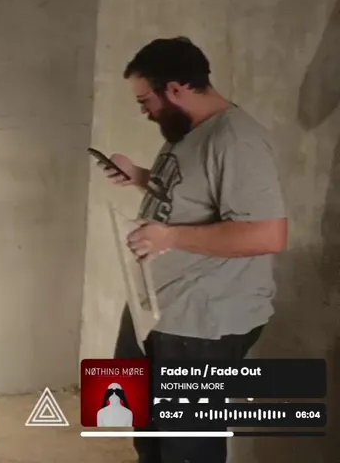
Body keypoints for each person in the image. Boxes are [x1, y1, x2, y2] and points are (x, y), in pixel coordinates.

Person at [96, 37, 288, 463]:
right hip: (158, 308)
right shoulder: (187, 131)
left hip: (202, 323)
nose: (144, 111)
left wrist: (171, 238)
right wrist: (139, 176)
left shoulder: (237, 140)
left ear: (176, 89)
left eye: (146, 101)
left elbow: (267, 235)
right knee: (140, 422)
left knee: (187, 448)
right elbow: (188, 199)